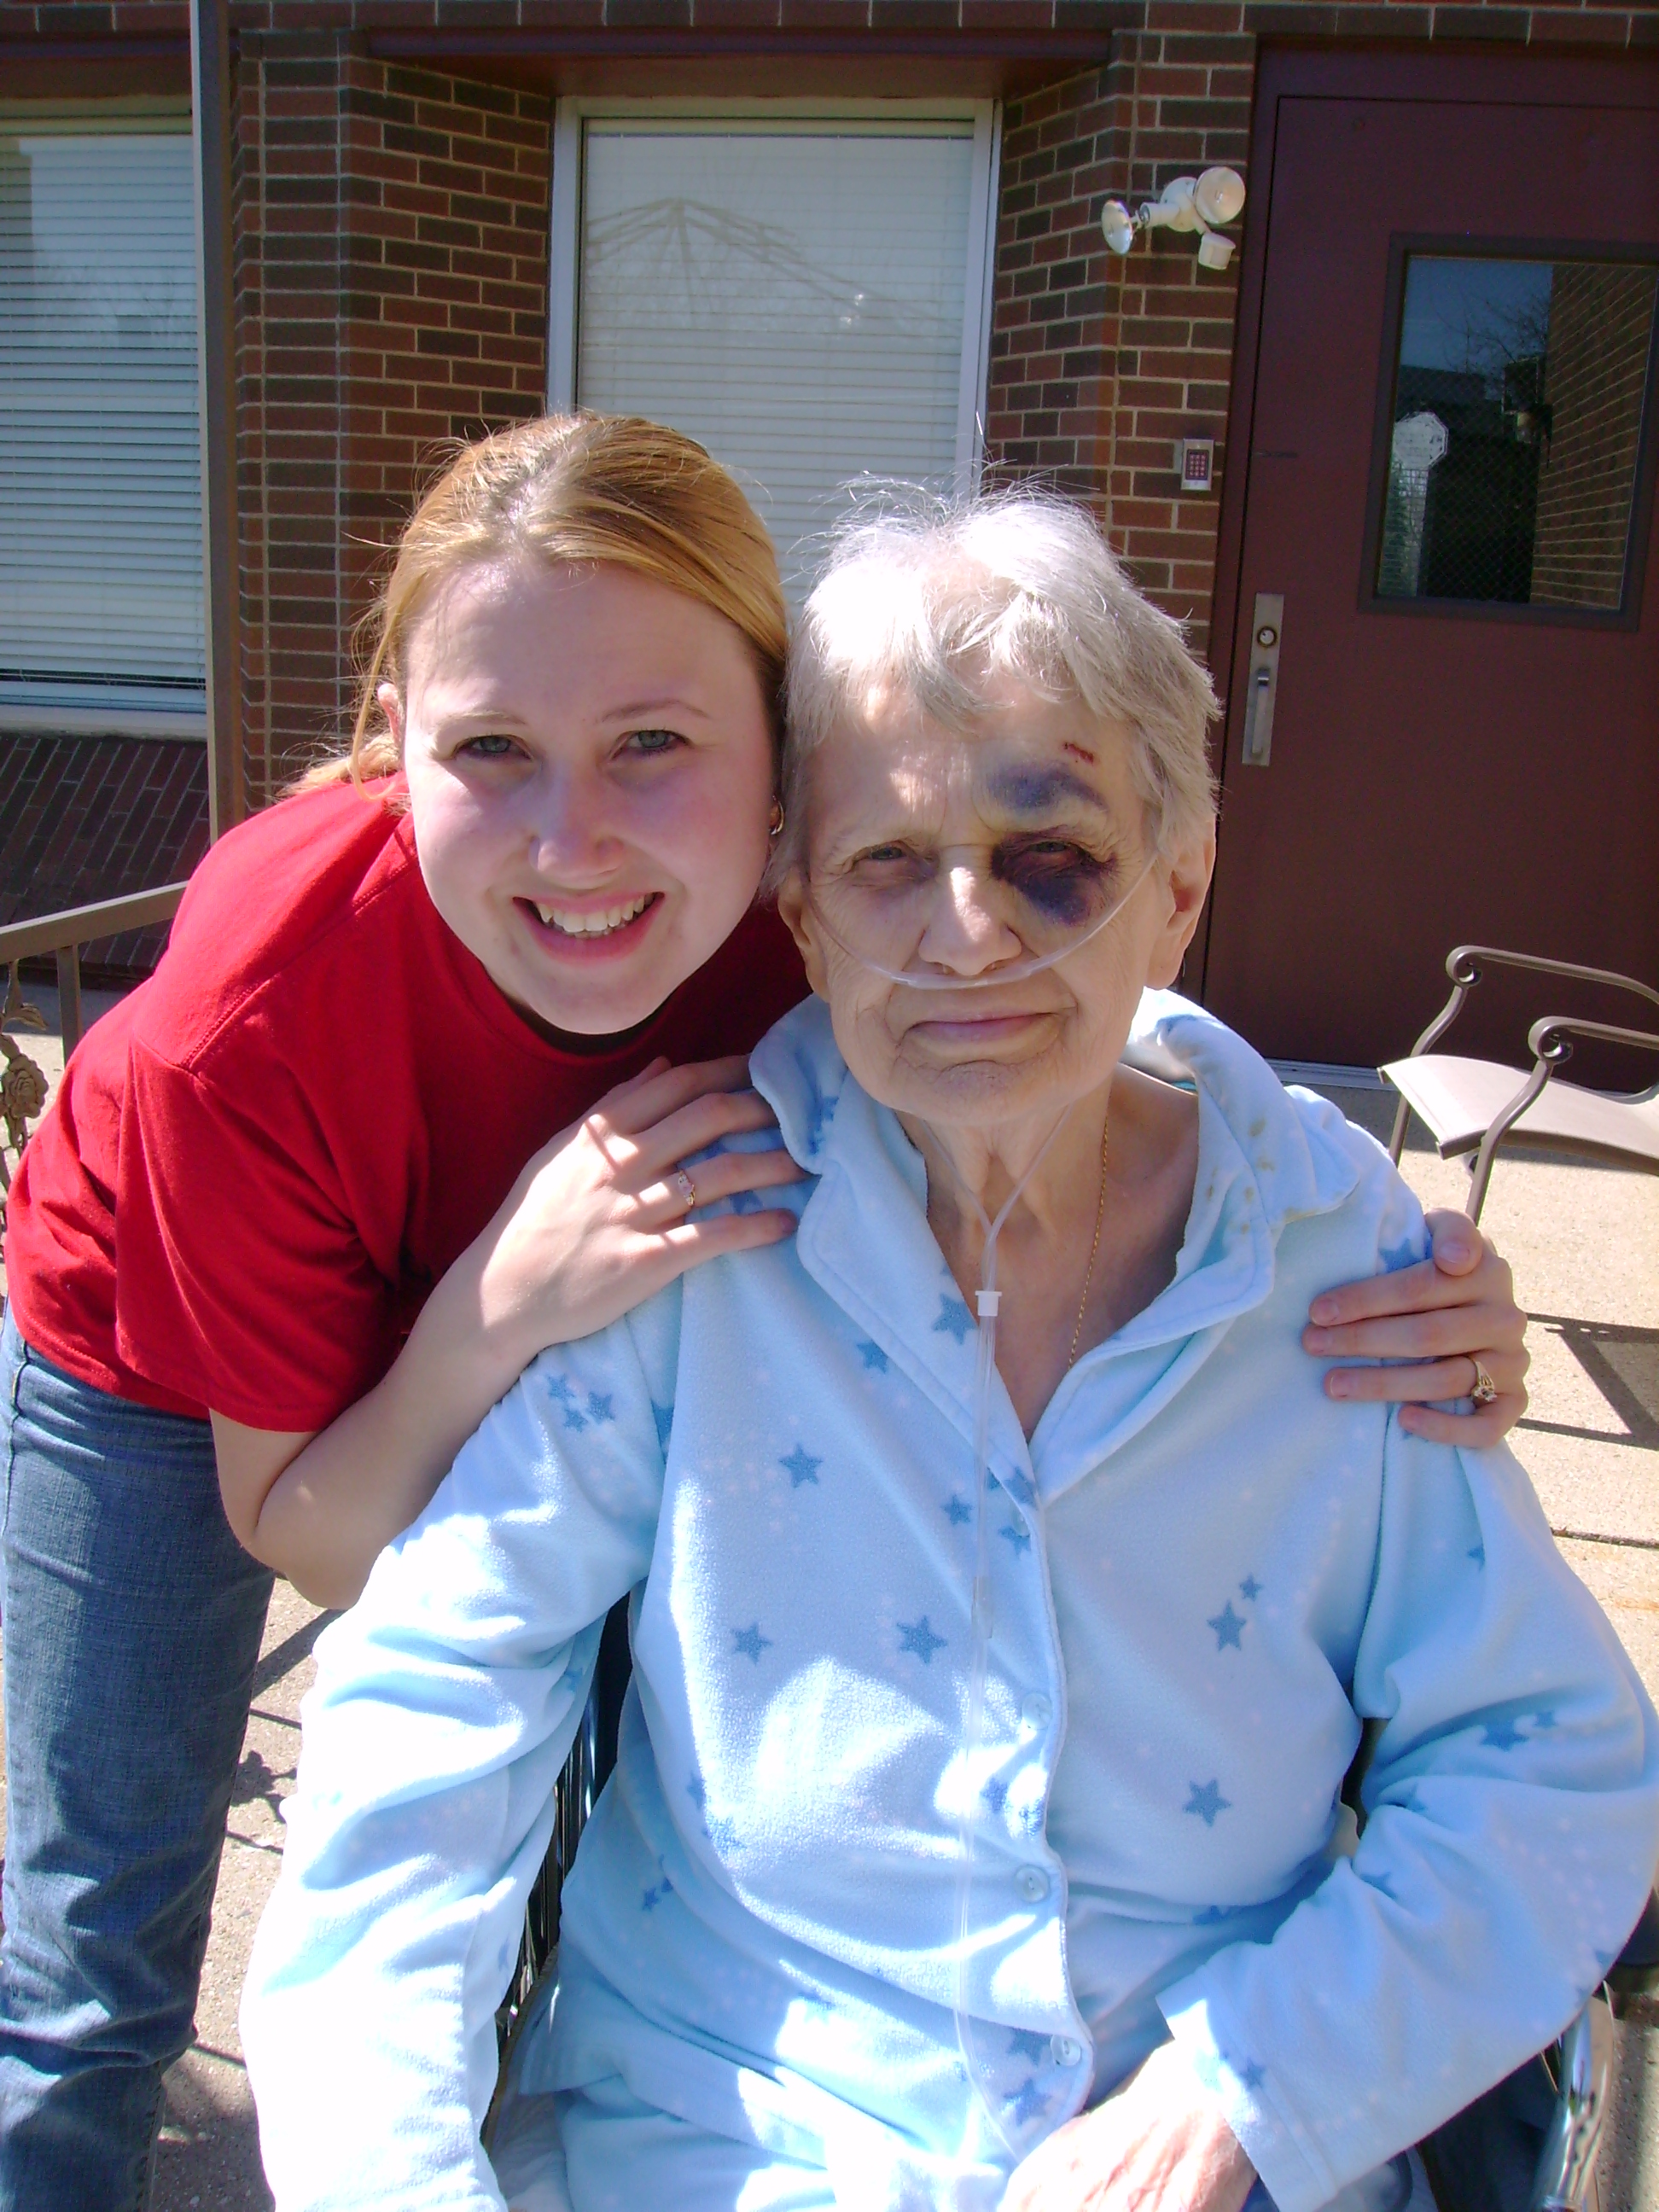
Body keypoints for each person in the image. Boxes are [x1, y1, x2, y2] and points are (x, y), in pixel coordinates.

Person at [239, 491, 1656, 2212]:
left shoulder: (1330, 1265)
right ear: (805, 918)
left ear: (1178, 889)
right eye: (888, 863)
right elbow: (431, 1717)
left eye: (1049, 854)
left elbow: (1550, 1762)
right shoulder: (704, 1233)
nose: (966, 934)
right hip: (720, 2141)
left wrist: (1244, 2093)